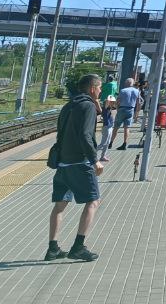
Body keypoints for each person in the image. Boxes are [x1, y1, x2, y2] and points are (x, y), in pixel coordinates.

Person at [45, 73, 107, 262]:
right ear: (91, 89)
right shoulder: (87, 105)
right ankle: (78, 247)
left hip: (63, 164)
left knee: (60, 206)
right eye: (99, 88)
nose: (100, 91)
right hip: (80, 164)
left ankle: (53, 249)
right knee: (93, 202)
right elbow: (85, 135)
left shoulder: (68, 105)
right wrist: (94, 159)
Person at [111, 78, 142, 150]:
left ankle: (110, 143)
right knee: (127, 128)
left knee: (116, 127)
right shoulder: (137, 91)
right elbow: (139, 103)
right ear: (132, 83)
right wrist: (136, 113)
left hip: (122, 109)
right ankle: (124, 143)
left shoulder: (123, 90)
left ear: (126, 83)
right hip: (131, 109)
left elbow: (118, 101)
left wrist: (117, 109)